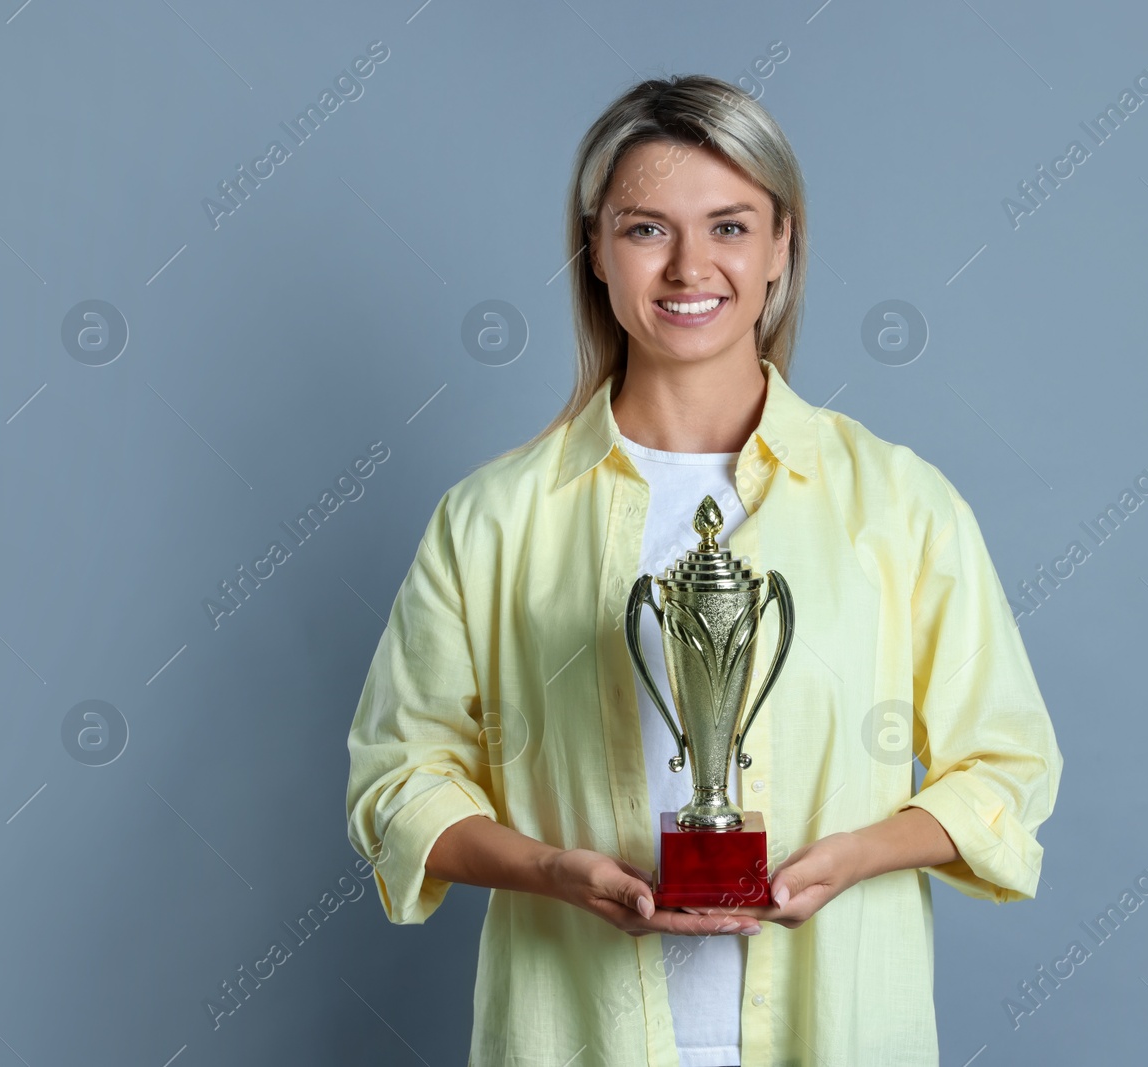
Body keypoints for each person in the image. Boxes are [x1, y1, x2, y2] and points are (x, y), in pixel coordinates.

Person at [345, 74, 1063, 1067]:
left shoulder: (898, 503)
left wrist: (853, 855)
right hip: (569, 1034)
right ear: (595, 247)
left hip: (839, 1030)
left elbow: (1004, 766)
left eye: (729, 226)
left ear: (782, 246)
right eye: (646, 229)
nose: (690, 266)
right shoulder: (493, 518)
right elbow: (399, 778)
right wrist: (551, 868)